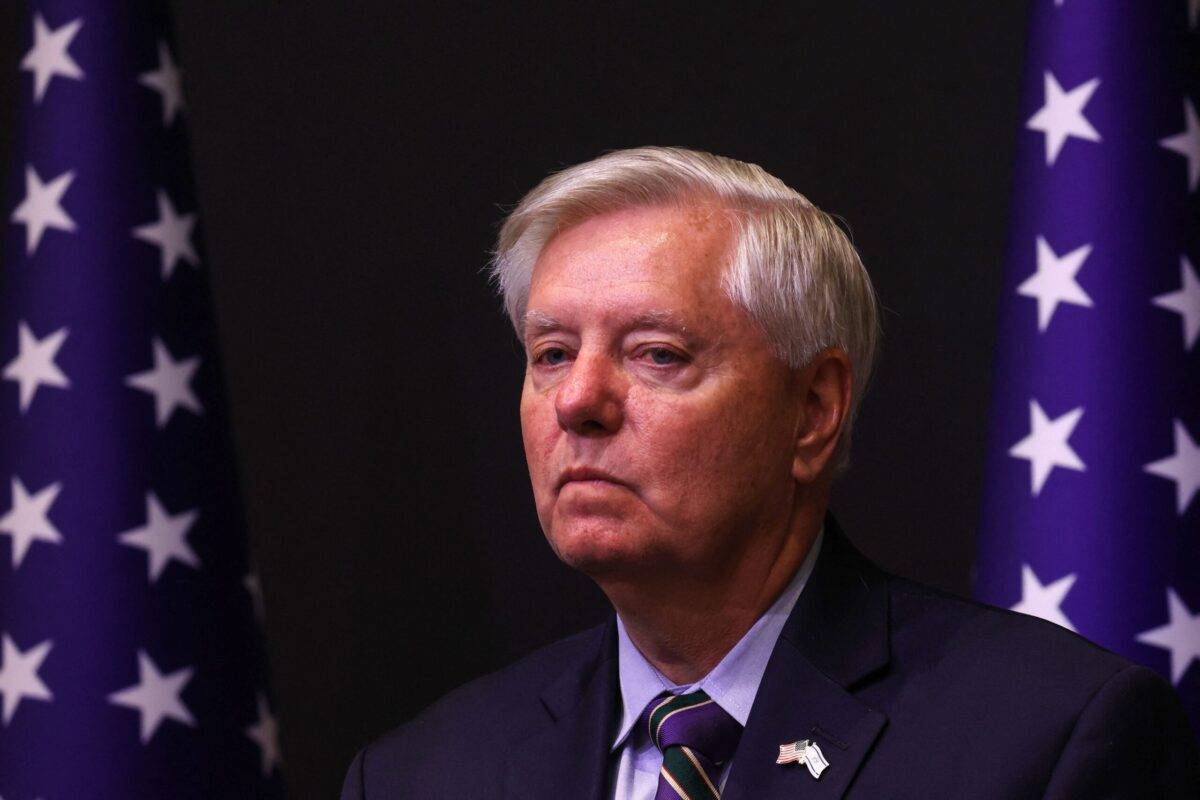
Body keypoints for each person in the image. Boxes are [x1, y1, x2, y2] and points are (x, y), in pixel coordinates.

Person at [341, 147, 1199, 799]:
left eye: (656, 354)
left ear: (814, 411)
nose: (579, 402)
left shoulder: (1047, 740)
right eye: (552, 353)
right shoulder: (422, 774)